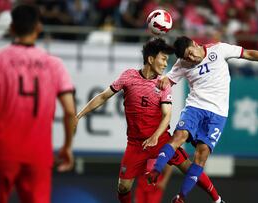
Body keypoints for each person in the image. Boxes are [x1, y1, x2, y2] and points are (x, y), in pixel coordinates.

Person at [147, 36, 258, 203]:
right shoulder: (182, 64)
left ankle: (181, 198)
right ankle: (156, 170)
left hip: (218, 114)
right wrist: (160, 81)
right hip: (195, 108)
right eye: (186, 57)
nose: (190, 59)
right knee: (179, 136)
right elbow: (167, 80)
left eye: (190, 53)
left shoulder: (219, 50)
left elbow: (249, 54)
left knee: (201, 155)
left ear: (195, 44)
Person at [75, 37, 224, 203]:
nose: (165, 63)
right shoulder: (128, 77)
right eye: (163, 58)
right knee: (123, 187)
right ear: (151, 59)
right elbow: (103, 96)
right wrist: (78, 116)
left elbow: (167, 114)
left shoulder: (163, 84)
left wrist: (156, 136)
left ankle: (217, 199)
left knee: (190, 168)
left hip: (160, 140)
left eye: (167, 59)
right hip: (135, 144)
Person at [0, 4, 77, 203]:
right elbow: (69, 110)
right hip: (39, 154)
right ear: (38, 28)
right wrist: (67, 146)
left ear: (11, 28)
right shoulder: (55, 65)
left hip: (3, 151)